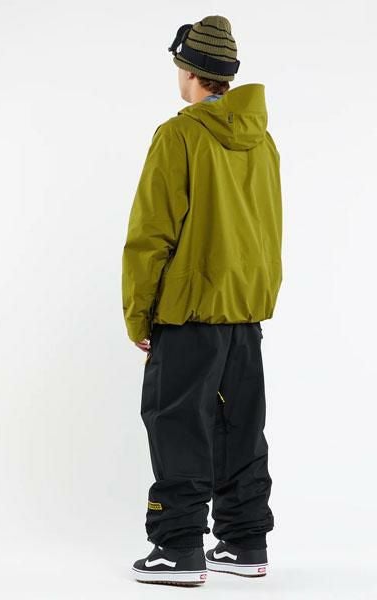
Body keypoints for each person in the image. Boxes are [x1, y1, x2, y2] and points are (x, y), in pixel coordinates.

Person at [122, 15, 283, 586]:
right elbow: (267, 227)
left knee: (177, 423)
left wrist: (139, 314)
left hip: (189, 312)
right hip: (245, 310)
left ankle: (178, 549)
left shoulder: (180, 135)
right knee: (240, 426)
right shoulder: (262, 140)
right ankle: (244, 541)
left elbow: (151, 234)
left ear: (188, 71)